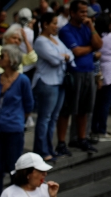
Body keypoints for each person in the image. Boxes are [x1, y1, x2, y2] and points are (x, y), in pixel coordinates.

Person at [0, 45, 34, 197]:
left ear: (12, 60)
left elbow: (29, 105)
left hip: (14, 128)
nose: (0, 58)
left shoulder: (22, 80)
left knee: (14, 167)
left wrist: (17, 119)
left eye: (3, 56)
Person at [57, 1, 103, 155]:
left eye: (86, 12)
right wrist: (92, 49)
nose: (85, 15)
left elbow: (99, 44)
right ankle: (62, 142)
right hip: (73, 72)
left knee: (84, 108)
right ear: (73, 13)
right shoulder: (66, 30)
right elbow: (76, 51)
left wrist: (91, 27)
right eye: (82, 12)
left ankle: (81, 139)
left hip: (89, 71)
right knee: (67, 109)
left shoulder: (87, 27)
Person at [33, 13, 72, 162]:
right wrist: (64, 56)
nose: (56, 26)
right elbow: (55, 60)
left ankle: (49, 148)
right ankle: (41, 151)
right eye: (54, 23)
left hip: (60, 81)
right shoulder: (41, 41)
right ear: (45, 24)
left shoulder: (55, 39)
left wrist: (63, 55)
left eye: (57, 23)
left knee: (54, 117)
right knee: (45, 118)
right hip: (47, 82)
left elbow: (70, 54)